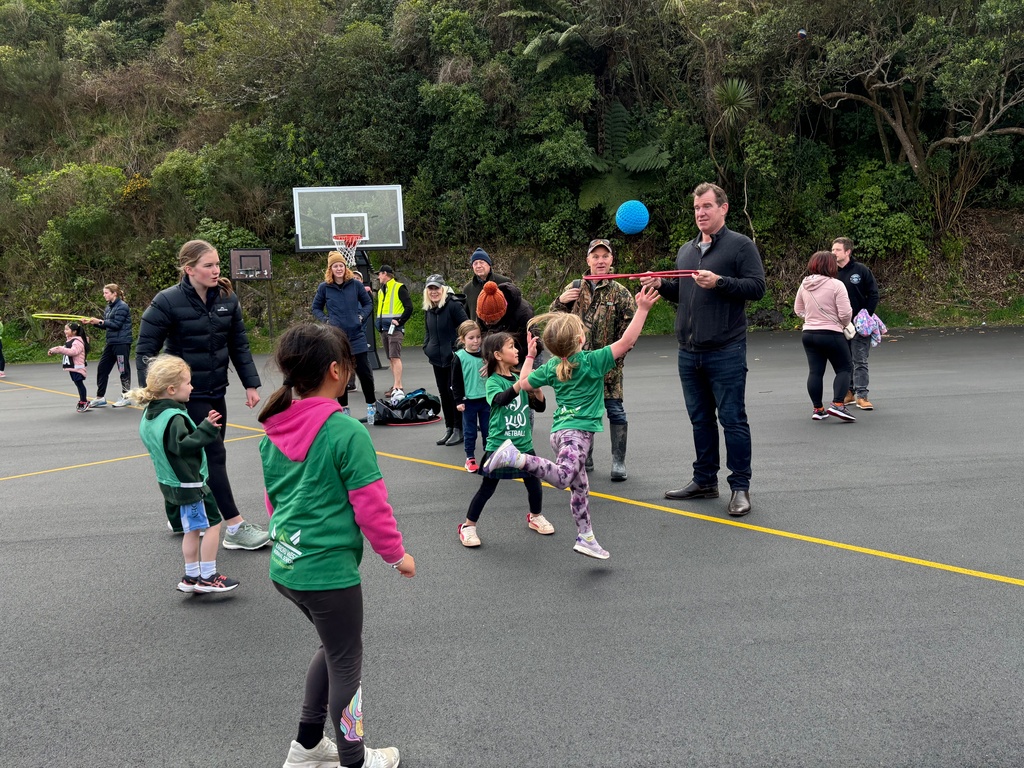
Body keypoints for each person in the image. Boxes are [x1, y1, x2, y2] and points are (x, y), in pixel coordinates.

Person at [257, 323, 414, 768]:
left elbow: (274, 502)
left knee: (333, 648)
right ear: (335, 370)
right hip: (326, 574)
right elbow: (371, 507)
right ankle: (354, 759)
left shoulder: (274, 430)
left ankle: (307, 746)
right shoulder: (345, 431)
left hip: (287, 565)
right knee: (346, 660)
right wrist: (396, 556)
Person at [485, 286, 661, 560]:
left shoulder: (552, 366)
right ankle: (514, 457)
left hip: (561, 434)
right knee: (564, 478)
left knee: (580, 488)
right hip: (575, 436)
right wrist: (643, 309)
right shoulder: (592, 361)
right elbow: (627, 341)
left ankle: (586, 537)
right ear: (581, 339)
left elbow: (523, 382)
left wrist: (530, 356)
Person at [640, 182, 766, 517]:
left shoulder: (741, 245)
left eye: (707, 206)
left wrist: (720, 282)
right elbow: (683, 293)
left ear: (723, 208)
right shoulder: (687, 249)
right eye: (697, 208)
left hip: (725, 349)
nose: (700, 213)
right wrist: (661, 285)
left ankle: (740, 487)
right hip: (688, 350)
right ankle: (705, 480)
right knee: (700, 420)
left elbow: (757, 287)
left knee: (733, 420)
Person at [136, 239, 270, 551]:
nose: (216, 270)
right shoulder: (167, 301)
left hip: (215, 389)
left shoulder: (226, 298)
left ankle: (183, 516)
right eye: (208, 265)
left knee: (196, 459)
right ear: (189, 269)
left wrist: (250, 384)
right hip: (185, 395)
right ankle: (234, 528)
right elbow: (145, 351)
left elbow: (239, 344)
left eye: (217, 264)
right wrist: (155, 394)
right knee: (214, 454)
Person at [128, 354, 238, 594]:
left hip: (170, 483)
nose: (192, 387)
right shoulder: (175, 417)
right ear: (171, 389)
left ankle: (191, 576)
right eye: (188, 383)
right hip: (190, 485)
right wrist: (206, 429)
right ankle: (208, 576)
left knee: (192, 529)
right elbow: (183, 446)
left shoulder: (150, 414)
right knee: (213, 524)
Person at [550, 238, 637, 481]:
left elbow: (630, 331)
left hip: (608, 367)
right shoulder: (576, 287)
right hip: (578, 369)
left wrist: (613, 360)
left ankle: (618, 461)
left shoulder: (620, 292)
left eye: (605, 256)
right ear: (588, 260)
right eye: (595, 256)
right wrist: (561, 302)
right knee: (581, 414)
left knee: (616, 411)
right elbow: (555, 322)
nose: (600, 261)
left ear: (611, 260)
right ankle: (584, 456)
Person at [459, 331, 551, 548]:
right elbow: (500, 399)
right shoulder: (493, 381)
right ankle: (468, 526)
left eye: (516, 347)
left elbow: (540, 407)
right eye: (511, 347)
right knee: (487, 488)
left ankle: (535, 516)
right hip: (500, 446)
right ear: (498, 355)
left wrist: (536, 389)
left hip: (523, 444)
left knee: (534, 483)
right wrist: (523, 383)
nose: (516, 350)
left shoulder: (519, 378)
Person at [312, 252, 377, 424]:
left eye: (341, 265)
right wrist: (326, 321)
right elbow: (316, 307)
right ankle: (344, 409)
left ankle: (371, 406)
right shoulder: (324, 287)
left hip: (356, 335)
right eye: (335, 266)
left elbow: (368, 303)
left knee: (365, 373)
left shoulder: (355, 285)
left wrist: (361, 317)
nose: (339, 268)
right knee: (340, 376)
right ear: (330, 269)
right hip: (337, 338)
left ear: (345, 267)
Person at [794, 251, 857, 422]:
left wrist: (811, 318)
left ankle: (818, 409)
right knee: (845, 368)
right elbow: (845, 314)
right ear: (830, 265)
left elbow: (798, 309)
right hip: (831, 334)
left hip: (809, 333)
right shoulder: (836, 285)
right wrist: (843, 323)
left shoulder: (804, 284)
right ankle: (838, 404)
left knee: (815, 372)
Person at [833, 237, 879, 410]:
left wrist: (865, 316)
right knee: (845, 362)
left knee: (860, 360)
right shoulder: (831, 272)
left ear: (847, 252)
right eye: (832, 250)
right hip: (839, 325)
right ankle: (849, 393)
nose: (834, 253)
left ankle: (862, 396)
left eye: (837, 250)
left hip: (859, 324)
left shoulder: (861, 270)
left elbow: (873, 294)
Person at [422, 273, 468, 446]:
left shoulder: (454, 306)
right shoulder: (428, 309)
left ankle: (459, 429)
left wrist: (457, 350)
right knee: (443, 393)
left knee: (454, 393)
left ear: (443, 289)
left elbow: (467, 329)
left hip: (453, 359)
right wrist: (427, 347)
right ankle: (449, 427)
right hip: (436, 359)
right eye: (430, 288)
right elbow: (428, 332)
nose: (433, 292)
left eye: (436, 288)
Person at [84, 283, 133, 408]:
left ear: (114, 293)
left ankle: (126, 396)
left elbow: (117, 325)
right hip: (111, 343)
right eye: (104, 293)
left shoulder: (122, 306)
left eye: (106, 293)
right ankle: (100, 397)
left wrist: (100, 321)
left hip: (122, 343)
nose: (104, 295)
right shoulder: (108, 307)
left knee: (123, 370)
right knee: (102, 368)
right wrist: (93, 322)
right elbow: (107, 325)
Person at [451, 320, 488, 473]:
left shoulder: (487, 354)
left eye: (478, 337)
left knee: (488, 430)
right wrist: (458, 400)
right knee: (470, 431)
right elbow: (455, 382)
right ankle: (470, 457)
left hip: (486, 399)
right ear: (462, 339)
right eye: (471, 338)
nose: (476, 341)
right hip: (468, 401)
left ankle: (489, 456)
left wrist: (491, 364)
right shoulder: (459, 357)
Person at [374, 264, 412, 398]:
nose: (378, 277)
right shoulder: (381, 291)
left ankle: (397, 386)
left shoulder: (399, 287)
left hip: (395, 328)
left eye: (379, 274)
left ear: (385, 274)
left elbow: (409, 307)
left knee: (395, 357)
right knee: (391, 358)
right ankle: (397, 384)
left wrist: (400, 321)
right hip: (384, 328)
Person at [475, 280, 535, 364]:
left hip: (526, 353)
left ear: (502, 313)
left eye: (492, 321)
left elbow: (530, 345)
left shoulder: (524, 314)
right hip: (500, 354)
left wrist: (502, 361)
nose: (487, 323)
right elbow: (483, 335)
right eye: (484, 320)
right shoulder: (483, 309)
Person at [47, 321, 90, 412]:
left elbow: (73, 352)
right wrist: (53, 350)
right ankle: (83, 400)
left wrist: (60, 349)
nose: (64, 331)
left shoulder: (77, 342)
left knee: (79, 384)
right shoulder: (70, 341)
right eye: (65, 329)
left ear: (74, 331)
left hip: (78, 368)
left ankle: (84, 401)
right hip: (73, 368)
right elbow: (64, 348)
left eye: (67, 329)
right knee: (78, 384)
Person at [462, 248, 511, 321]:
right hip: (477, 327)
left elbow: (513, 308)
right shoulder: (467, 289)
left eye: (481, 262)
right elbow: (466, 316)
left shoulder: (504, 282)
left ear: (489, 264)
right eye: (475, 263)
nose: (478, 266)